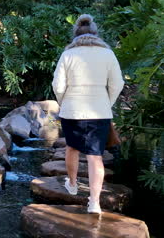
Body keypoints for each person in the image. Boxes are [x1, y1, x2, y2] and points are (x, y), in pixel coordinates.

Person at [51, 14, 124, 214]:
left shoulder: (68, 55)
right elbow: (117, 84)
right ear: (95, 33)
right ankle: (94, 203)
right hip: (99, 111)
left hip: (72, 110)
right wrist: (106, 102)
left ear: (76, 34)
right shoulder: (108, 54)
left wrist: (63, 102)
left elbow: (57, 85)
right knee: (95, 157)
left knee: (72, 148)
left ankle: (72, 184)